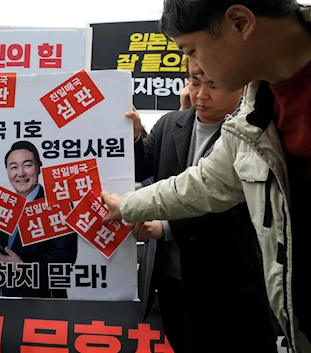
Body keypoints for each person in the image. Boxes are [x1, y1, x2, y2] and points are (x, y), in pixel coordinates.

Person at [100, 1, 311, 351]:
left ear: (240, 23)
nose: (194, 72)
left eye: (192, 50)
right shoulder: (255, 114)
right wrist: (127, 206)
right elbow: (205, 183)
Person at [129, 58, 276, 353]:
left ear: (242, 87)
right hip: (171, 280)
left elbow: (236, 207)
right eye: (195, 82)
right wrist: (131, 137)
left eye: (213, 85)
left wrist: (166, 226)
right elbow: (143, 167)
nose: (201, 94)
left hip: (227, 282)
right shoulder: (171, 123)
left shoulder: (251, 134)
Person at [0, 141, 78, 298]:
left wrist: (23, 267)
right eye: (14, 167)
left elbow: (66, 257)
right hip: (0, 294)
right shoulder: (3, 204)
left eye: (27, 165)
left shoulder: (57, 204)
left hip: (40, 299)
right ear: (7, 172)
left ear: (39, 166)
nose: (21, 173)